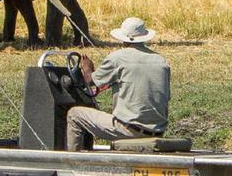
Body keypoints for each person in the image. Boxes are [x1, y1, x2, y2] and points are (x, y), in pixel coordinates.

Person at [66, 17, 170, 151]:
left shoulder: (117, 58)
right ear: (144, 37)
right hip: (158, 130)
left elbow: (89, 81)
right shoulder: (161, 61)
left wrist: (87, 68)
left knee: (75, 114)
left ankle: (72, 162)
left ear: (123, 38)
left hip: (128, 130)